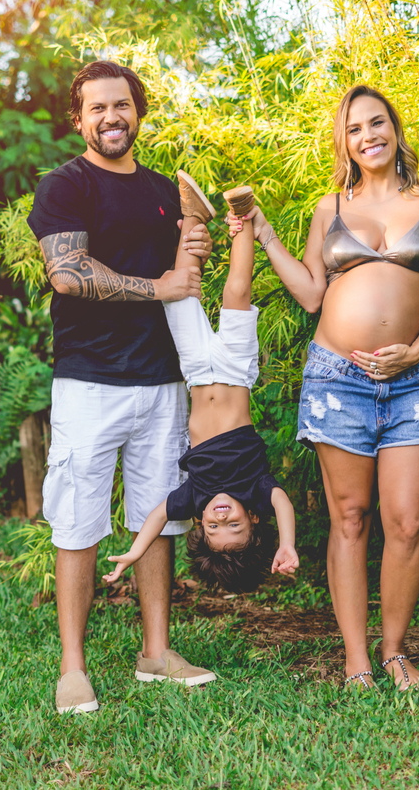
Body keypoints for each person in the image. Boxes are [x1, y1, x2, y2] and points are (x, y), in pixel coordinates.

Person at [228, 85, 419, 690]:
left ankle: (394, 651)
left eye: (377, 123)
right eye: (355, 129)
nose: (368, 136)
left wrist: (417, 349)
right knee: (351, 518)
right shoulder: (329, 208)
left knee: (406, 521)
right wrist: (263, 231)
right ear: (346, 143)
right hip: (339, 378)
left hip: (414, 378)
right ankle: (355, 657)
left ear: (395, 128)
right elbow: (312, 294)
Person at [26, 60, 220, 714]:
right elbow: (68, 273)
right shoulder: (65, 185)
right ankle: (73, 668)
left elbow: (182, 273)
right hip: (89, 381)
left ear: (138, 112)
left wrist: (195, 249)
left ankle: (156, 652)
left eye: (122, 105)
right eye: (98, 108)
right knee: (78, 521)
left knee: (157, 517)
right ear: (78, 120)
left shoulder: (162, 190)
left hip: (161, 378)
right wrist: (159, 286)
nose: (111, 118)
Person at [103, 185, 300, 593]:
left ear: (200, 523)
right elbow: (282, 502)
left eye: (214, 527)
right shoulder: (256, 490)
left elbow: (158, 515)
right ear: (253, 518)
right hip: (234, 370)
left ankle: (193, 214)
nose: (221, 517)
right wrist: (287, 544)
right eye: (234, 526)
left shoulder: (194, 497)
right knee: (236, 293)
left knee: (178, 298)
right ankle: (242, 216)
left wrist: (134, 553)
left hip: (195, 372)